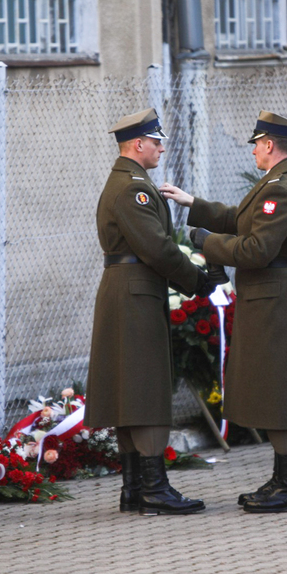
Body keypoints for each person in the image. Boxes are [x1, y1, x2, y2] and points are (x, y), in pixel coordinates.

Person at [160, 111, 287, 513]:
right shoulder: (278, 182)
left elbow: (255, 249)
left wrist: (207, 243)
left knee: (279, 387)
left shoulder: (282, 189)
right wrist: (193, 204)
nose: (252, 149)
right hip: (270, 296)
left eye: (255, 143)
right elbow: (239, 219)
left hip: (274, 296)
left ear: (269, 145)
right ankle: (285, 478)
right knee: (271, 384)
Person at [84, 108, 215, 515]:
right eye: (156, 141)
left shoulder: (131, 182)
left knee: (131, 389)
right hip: (135, 293)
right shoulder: (133, 188)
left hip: (131, 291)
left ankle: (135, 489)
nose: (161, 147)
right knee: (145, 389)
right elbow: (157, 248)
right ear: (137, 145)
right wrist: (197, 279)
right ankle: (154, 489)